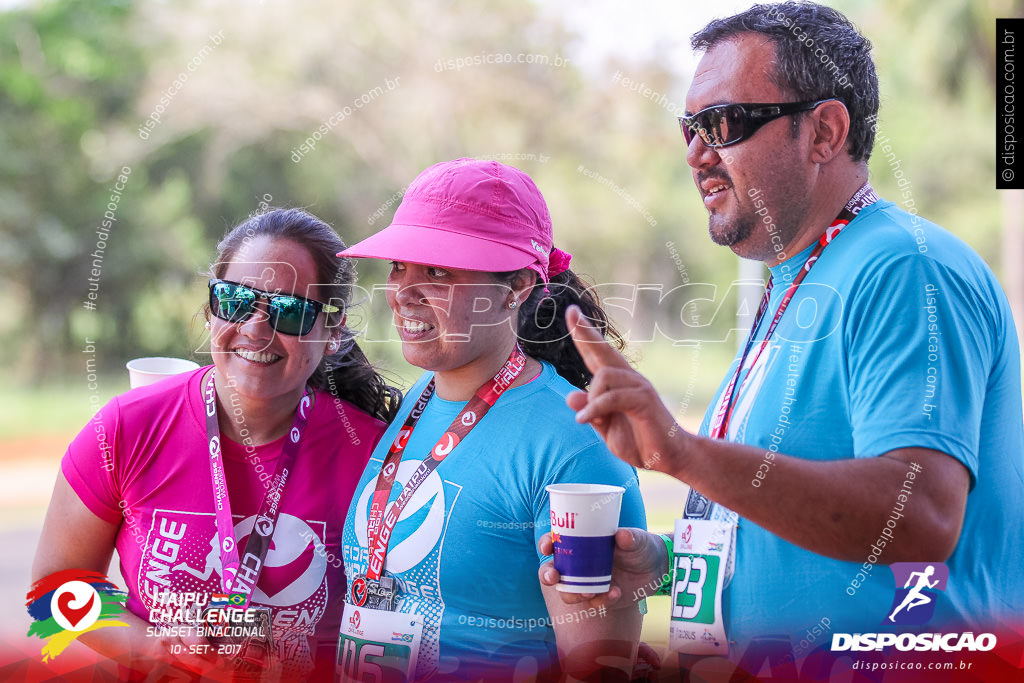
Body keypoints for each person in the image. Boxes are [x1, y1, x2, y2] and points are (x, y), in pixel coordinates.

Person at [540, 0, 1024, 671]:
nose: (696, 154)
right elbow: (793, 512)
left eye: (725, 122)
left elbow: (918, 518)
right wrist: (663, 562)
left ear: (825, 131)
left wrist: (681, 451)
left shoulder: (905, 267)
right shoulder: (797, 281)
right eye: (689, 127)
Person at [33, 208, 401, 681]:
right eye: (235, 300)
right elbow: (50, 592)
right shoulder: (127, 428)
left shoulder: (373, 457)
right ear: (210, 310)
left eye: (289, 311)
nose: (254, 329)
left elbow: (392, 627)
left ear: (331, 331)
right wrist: (151, 647)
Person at [336, 158, 648, 681]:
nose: (403, 291)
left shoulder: (574, 443)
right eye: (398, 266)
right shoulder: (422, 396)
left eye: (437, 271)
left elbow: (600, 668)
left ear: (518, 286)